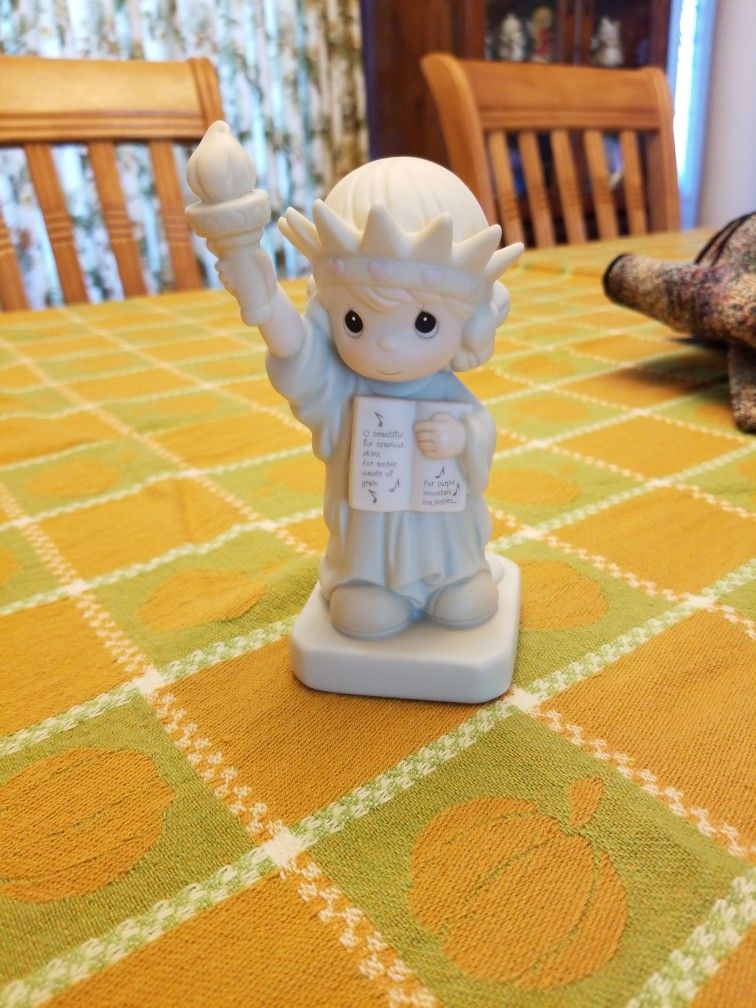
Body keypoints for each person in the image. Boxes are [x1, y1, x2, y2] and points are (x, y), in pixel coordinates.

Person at [214, 156, 522, 639]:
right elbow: (296, 351)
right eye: (355, 322)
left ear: (468, 324)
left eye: (424, 323)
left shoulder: (446, 394)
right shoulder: (344, 388)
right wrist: (263, 296)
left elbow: (482, 432)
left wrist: (461, 437)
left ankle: (455, 579)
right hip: (368, 545)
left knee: (470, 604)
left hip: (444, 536)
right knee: (366, 616)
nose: (387, 346)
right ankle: (369, 585)